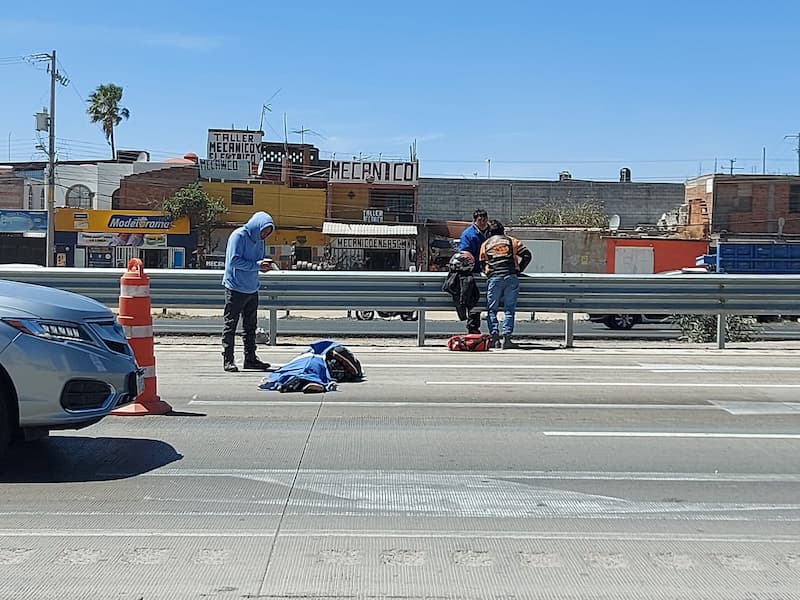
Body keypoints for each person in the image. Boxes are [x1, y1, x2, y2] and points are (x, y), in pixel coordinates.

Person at [221, 211, 275, 372]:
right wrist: (257, 266)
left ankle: (250, 358)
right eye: (264, 230)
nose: (265, 234)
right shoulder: (238, 236)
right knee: (230, 325)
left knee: (250, 326)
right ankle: (228, 359)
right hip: (235, 287)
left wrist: (263, 266)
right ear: (256, 225)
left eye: (268, 232)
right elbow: (234, 261)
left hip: (252, 287)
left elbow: (256, 261)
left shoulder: (260, 240)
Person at [479, 219, 532, 349]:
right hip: (510, 277)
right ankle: (507, 339)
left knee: (492, 310)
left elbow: (482, 263)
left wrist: (489, 273)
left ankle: (495, 338)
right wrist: (518, 269)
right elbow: (527, 255)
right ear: (503, 230)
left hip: (495, 278)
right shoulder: (512, 241)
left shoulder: (485, 244)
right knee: (509, 309)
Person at [458, 209, 490, 333]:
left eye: (484, 220)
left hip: (488, 270)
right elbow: (464, 252)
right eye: (480, 220)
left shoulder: (491, 232)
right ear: (474, 221)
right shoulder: (468, 234)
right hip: (473, 271)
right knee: (473, 299)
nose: (483, 223)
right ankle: (473, 327)